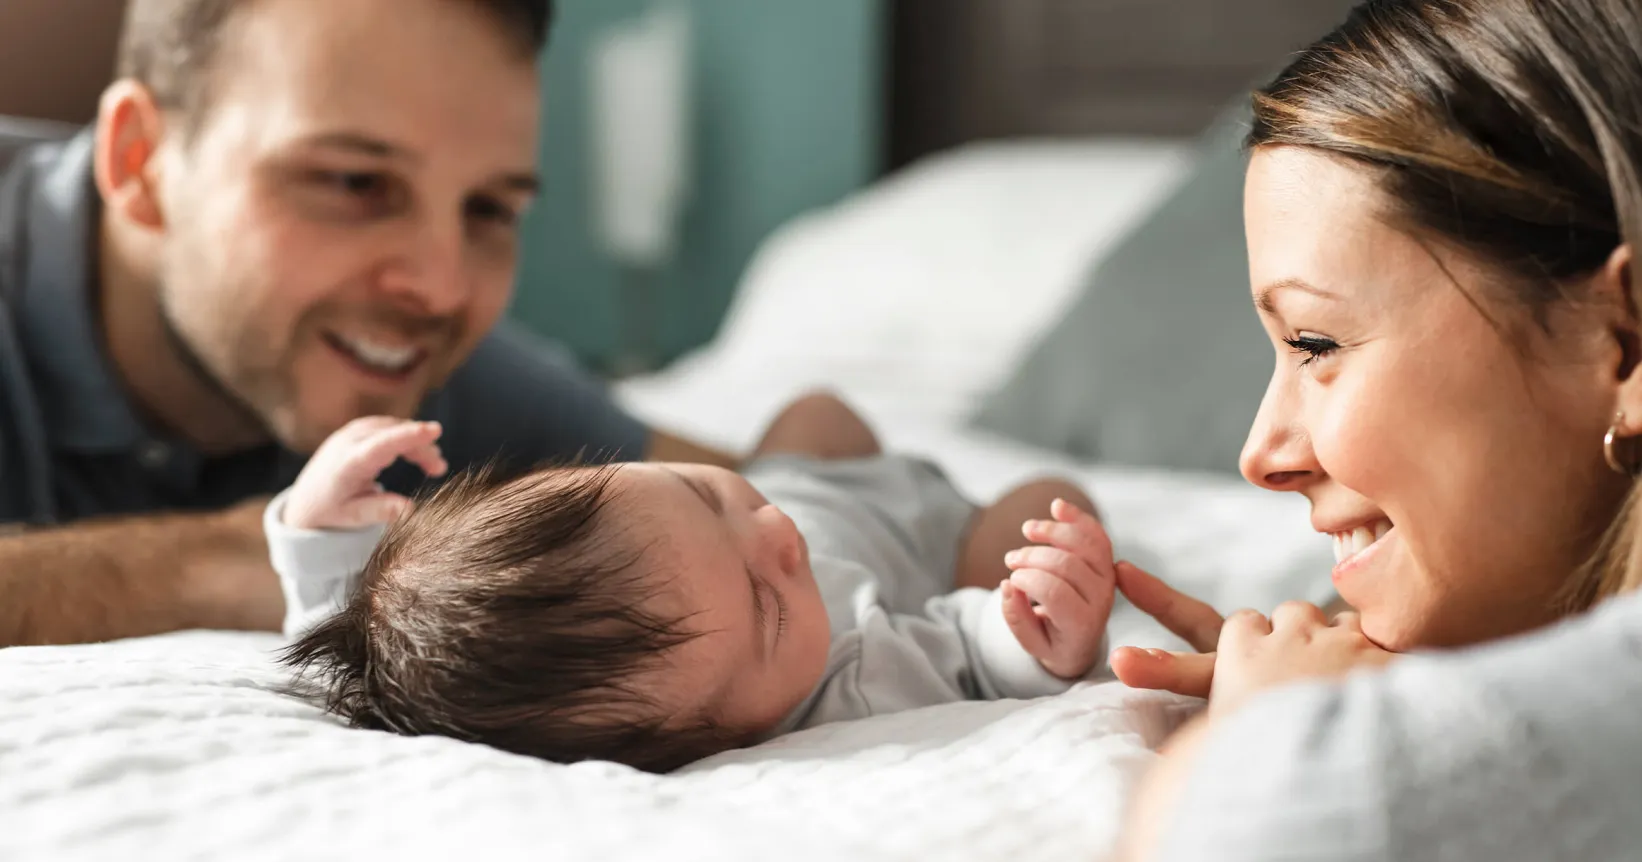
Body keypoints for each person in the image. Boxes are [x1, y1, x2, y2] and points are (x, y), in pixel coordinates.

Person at [1042, 0, 1642, 858]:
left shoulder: (1324, 781)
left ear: (1620, 342)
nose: (1261, 456)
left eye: (1316, 344)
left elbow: (1269, 819)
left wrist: (1281, 738)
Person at [0, 0, 737, 648]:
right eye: (356, 182)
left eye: (489, 210)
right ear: (142, 162)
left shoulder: (412, 370)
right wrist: (229, 563)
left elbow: (754, 498)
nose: (443, 291)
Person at [273, 393, 1115, 772]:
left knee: (816, 410)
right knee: (1045, 503)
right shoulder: (848, 680)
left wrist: (319, 537)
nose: (775, 535)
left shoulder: (462, 673)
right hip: (937, 536)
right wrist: (1034, 639)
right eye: (764, 605)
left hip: (821, 474)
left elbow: (371, 666)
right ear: (716, 737)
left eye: (700, 491)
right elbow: (962, 651)